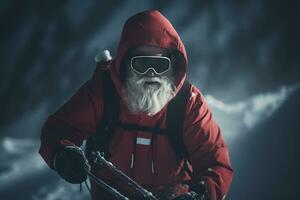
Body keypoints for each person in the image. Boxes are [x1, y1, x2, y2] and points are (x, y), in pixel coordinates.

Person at [39, 10, 233, 200]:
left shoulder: (188, 103)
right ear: (125, 64)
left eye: (160, 65)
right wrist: (62, 154)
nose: (151, 74)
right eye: (141, 64)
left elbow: (215, 161)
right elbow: (58, 129)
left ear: (172, 67)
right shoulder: (104, 93)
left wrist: (201, 194)